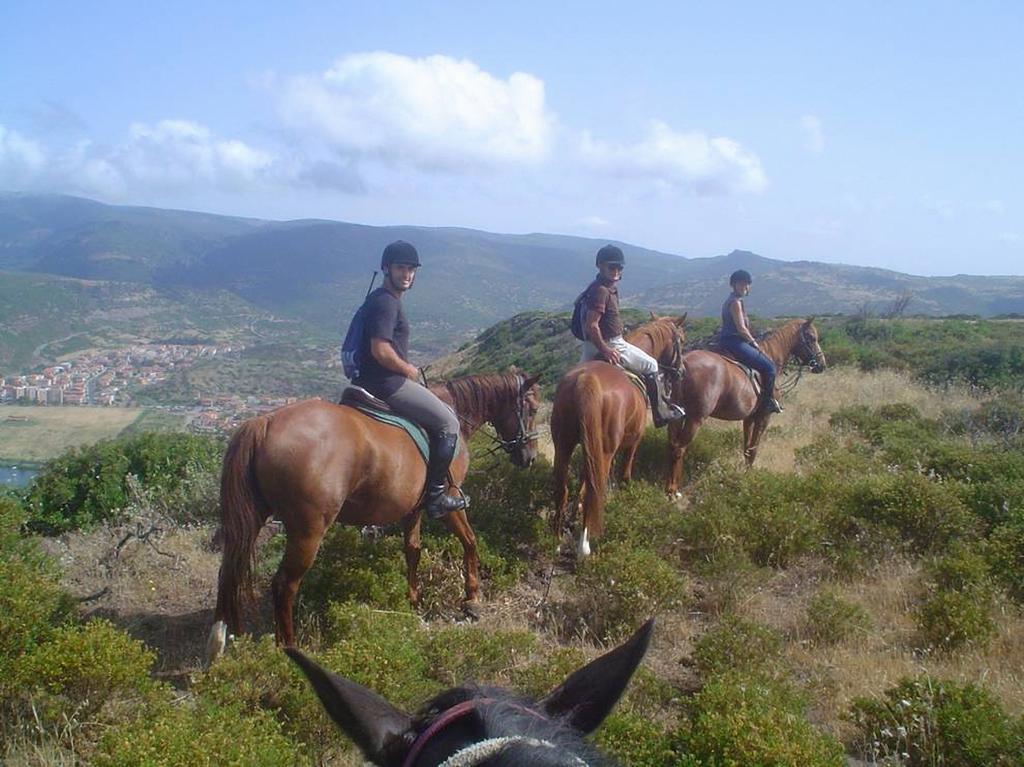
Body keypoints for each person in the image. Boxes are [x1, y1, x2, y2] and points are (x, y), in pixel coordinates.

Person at [349, 240, 467, 518]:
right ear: (386, 269)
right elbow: (381, 349)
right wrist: (407, 369)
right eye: (401, 268)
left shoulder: (378, 299)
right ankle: (436, 496)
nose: (407, 274)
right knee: (449, 422)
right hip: (387, 383)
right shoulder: (387, 303)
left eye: (412, 270)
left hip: (367, 380)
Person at [579, 244, 685, 427]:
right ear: (600, 266)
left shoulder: (599, 287)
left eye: (619, 268)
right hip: (611, 344)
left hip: (589, 346)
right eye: (612, 267)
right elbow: (592, 325)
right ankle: (661, 413)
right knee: (651, 364)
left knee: (575, 379)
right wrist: (606, 349)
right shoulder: (602, 290)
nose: (616, 271)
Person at [720, 269, 783, 413]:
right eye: (742, 284)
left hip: (727, 341)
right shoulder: (735, 303)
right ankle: (767, 403)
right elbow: (741, 329)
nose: (745, 287)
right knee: (770, 368)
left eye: (747, 285)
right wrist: (754, 343)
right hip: (735, 343)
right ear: (734, 285)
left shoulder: (730, 301)